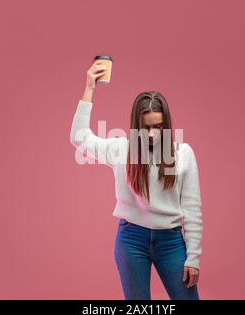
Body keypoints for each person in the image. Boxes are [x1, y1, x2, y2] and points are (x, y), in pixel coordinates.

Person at [70, 61, 203, 300]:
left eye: (159, 127)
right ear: (136, 125)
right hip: (131, 240)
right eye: (146, 127)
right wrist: (90, 87)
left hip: (171, 242)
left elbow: (193, 210)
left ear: (167, 124)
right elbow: (79, 138)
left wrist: (193, 257)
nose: (152, 134)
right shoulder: (122, 149)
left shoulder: (182, 153)